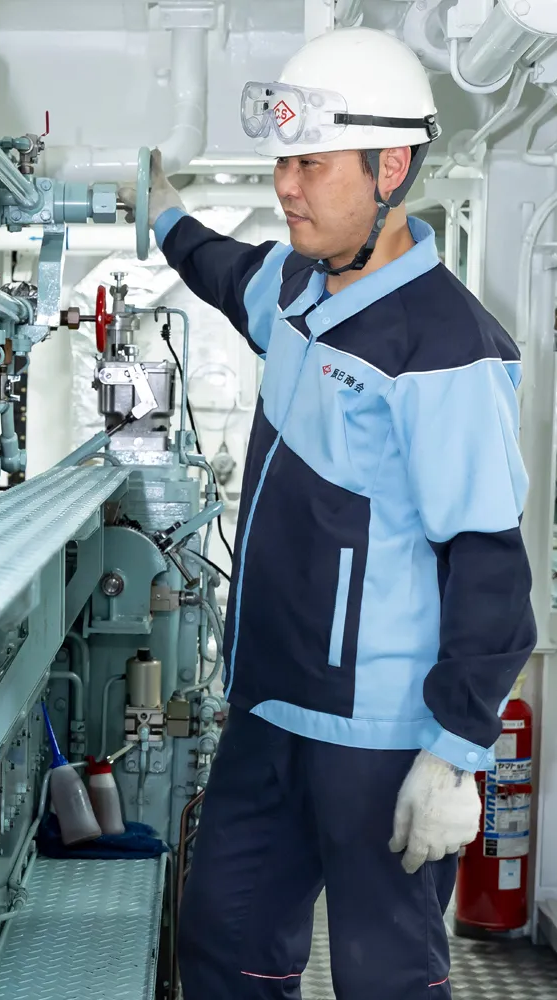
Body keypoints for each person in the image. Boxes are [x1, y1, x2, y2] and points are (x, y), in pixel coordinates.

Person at [119, 26, 536, 999]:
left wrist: (454, 755)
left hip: (380, 735)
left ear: (390, 168)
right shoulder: (296, 287)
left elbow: (491, 569)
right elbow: (226, 270)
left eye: (310, 164)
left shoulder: (446, 346)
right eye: (282, 163)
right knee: (225, 944)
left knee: (384, 978)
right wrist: (165, 215)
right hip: (269, 706)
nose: (286, 187)